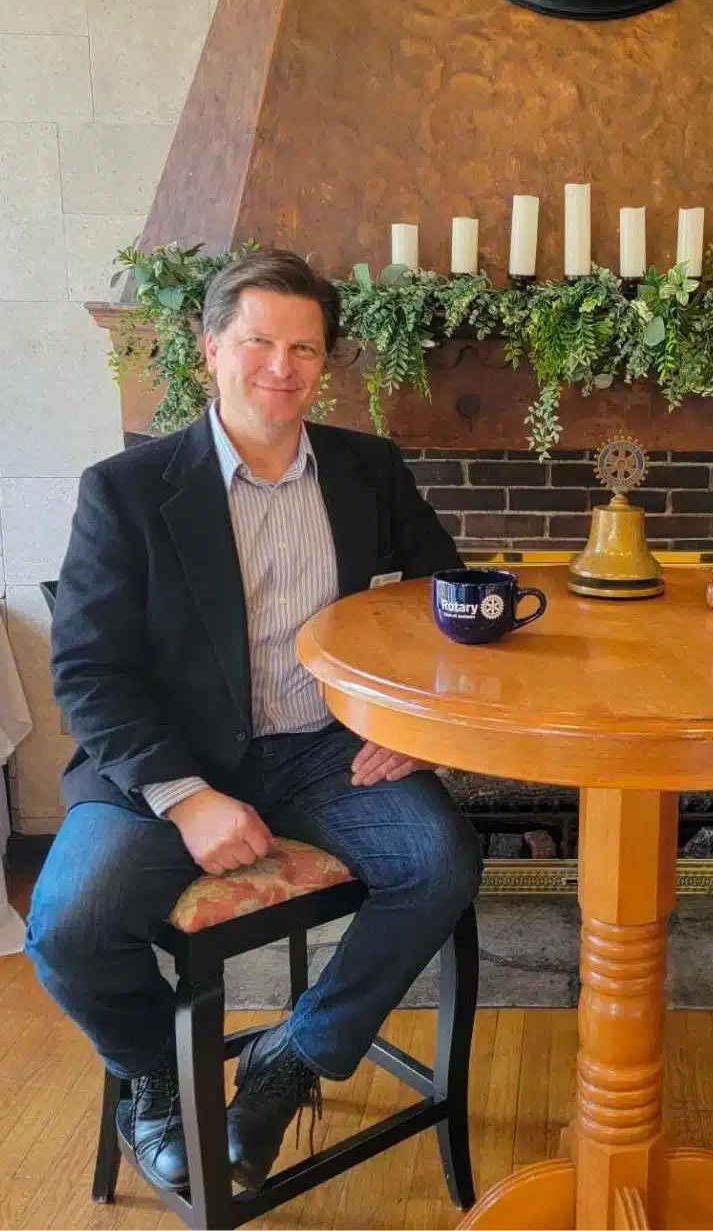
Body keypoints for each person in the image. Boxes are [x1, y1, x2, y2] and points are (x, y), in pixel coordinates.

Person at [26, 250, 482, 1195]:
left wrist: (421, 722)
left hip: (326, 752)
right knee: (69, 926)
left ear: (327, 362)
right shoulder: (127, 491)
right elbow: (86, 671)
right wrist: (187, 797)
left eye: (305, 347)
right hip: (171, 764)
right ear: (209, 349)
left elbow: (456, 596)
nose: (282, 366)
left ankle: (291, 1061)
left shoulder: (369, 469)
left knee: (442, 862)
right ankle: (153, 1076)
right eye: (258, 341)